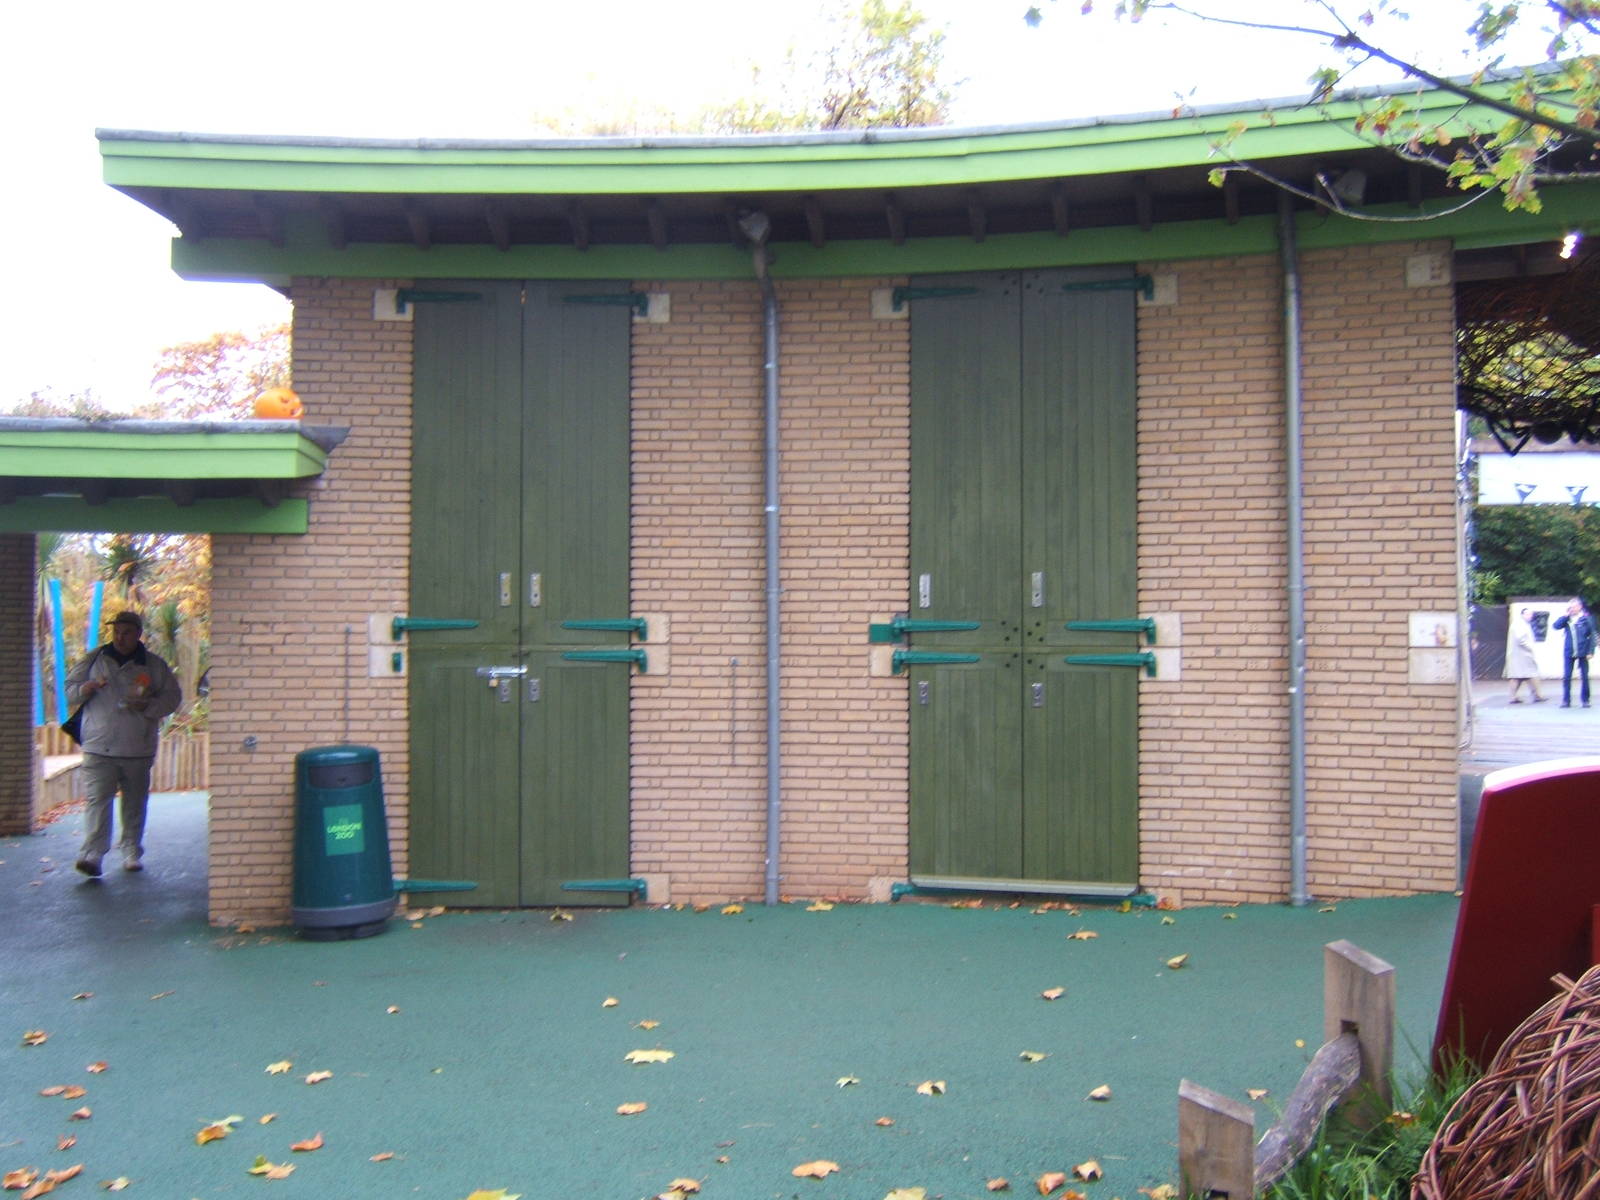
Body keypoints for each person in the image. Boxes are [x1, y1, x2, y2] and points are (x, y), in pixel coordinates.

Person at [64, 611, 183, 876]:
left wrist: (148, 706)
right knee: (97, 800)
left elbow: (173, 698)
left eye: (126, 632)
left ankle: (131, 850)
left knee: (134, 802)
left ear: (138, 634)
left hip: (137, 746)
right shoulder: (93, 659)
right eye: (116, 631)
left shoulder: (154, 666)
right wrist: (84, 689)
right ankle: (92, 854)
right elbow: (69, 690)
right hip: (98, 744)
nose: (120, 637)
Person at [1552, 597, 1598, 709]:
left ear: (1579, 607)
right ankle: (1566, 700)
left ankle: (1585, 700)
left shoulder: (1587, 618)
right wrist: (1565, 616)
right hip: (1569, 651)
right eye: (1570, 607)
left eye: (1573, 607)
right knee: (1567, 677)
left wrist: (1591, 651)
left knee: (1584, 677)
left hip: (1583, 651)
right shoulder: (1567, 619)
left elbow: (1592, 635)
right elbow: (1556, 626)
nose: (1571, 609)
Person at [1503, 607, 1546, 704]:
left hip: (1521, 655)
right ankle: (1536, 695)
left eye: (1531, 614)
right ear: (1522, 614)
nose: (1530, 616)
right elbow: (1521, 639)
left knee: (1522, 676)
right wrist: (1530, 647)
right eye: (1527, 614)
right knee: (1524, 675)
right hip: (1521, 655)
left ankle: (1534, 695)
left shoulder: (1522, 624)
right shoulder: (1519, 624)